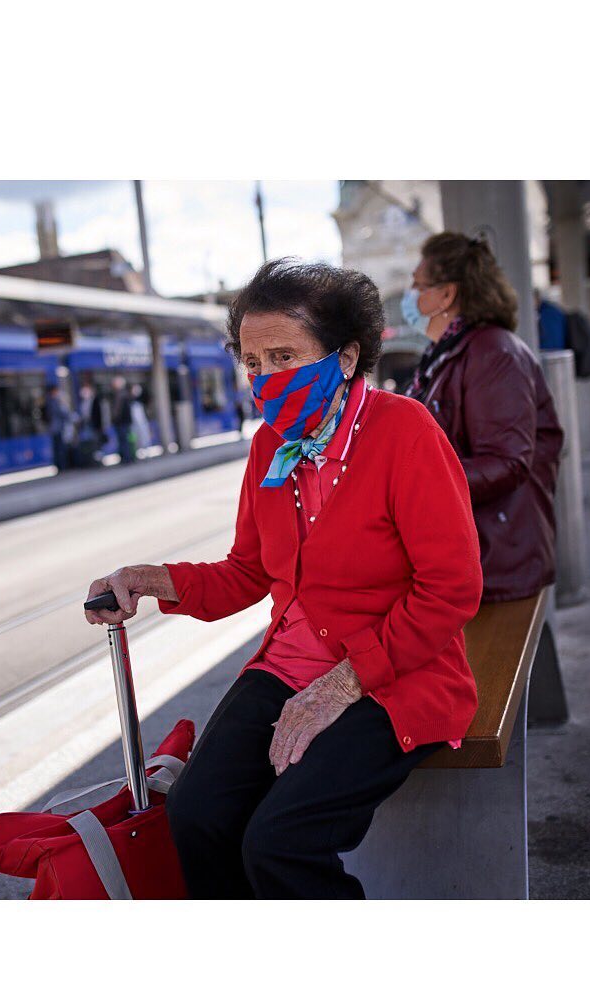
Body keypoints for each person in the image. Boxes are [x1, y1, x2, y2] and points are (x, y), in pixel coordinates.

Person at [84, 259, 483, 899]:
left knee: (279, 842)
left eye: (284, 357)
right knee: (194, 815)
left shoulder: (405, 433)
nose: (265, 379)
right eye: (251, 362)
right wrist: (148, 579)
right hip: (289, 667)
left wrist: (344, 684)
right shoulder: (270, 446)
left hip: (396, 672)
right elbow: (247, 572)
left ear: (346, 357)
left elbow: (452, 589)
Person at [402, 233, 563, 604]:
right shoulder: (448, 353)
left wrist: (414, 485)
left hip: (494, 560)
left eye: (418, 284)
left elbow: (506, 462)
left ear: (447, 295)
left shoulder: (494, 354)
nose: (411, 295)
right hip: (474, 554)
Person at [43, 386, 73, 471]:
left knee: (56, 448)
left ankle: (58, 466)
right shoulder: (54, 401)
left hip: (52, 428)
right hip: (57, 428)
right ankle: (62, 466)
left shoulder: (47, 401)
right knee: (60, 448)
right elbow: (62, 413)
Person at [110, 375, 135, 464]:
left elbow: (117, 411)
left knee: (124, 441)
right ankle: (127, 458)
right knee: (125, 441)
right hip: (124, 422)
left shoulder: (121, 395)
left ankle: (127, 459)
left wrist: (114, 419)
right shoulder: (123, 394)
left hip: (122, 422)